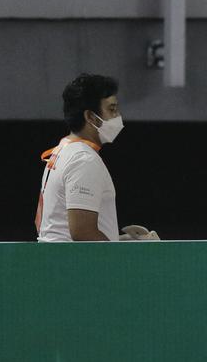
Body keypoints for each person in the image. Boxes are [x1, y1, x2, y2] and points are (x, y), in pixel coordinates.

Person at [36, 74, 151, 242]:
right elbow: (83, 233)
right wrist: (121, 254)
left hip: (60, 256)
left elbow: (64, 230)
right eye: (112, 109)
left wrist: (122, 242)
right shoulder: (83, 160)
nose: (118, 116)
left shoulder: (64, 150)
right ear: (90, 117)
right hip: (72, 259)